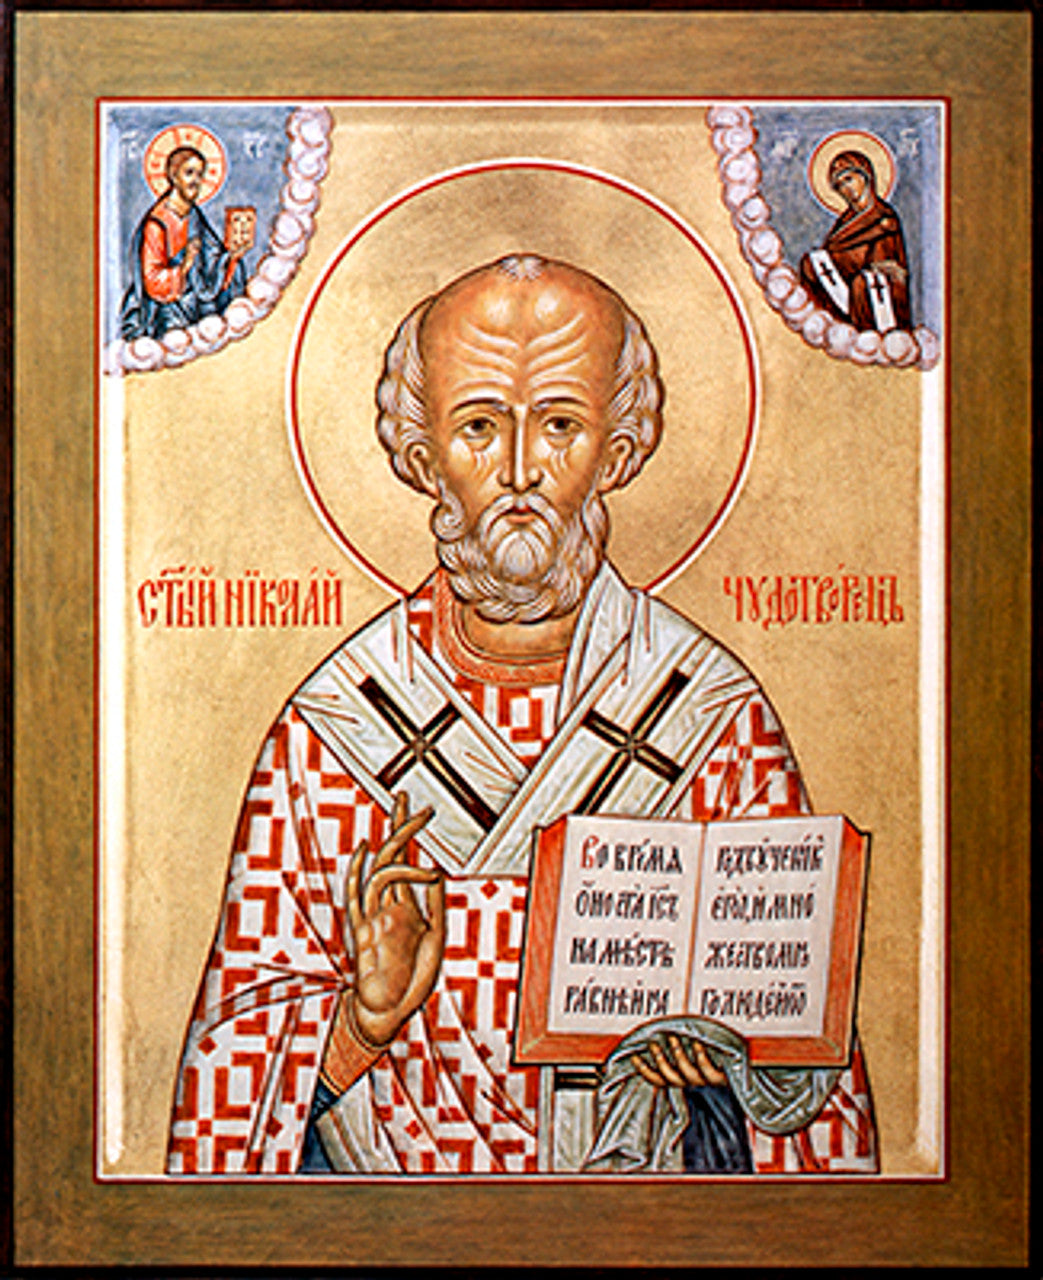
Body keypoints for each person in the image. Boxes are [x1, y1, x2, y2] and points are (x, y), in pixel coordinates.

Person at [167, 254, 878, 1176]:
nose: (516, 472)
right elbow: (224, 1109)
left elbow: (811, 1108)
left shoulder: (710, 717)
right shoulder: (327, 734)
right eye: (476, 426)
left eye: (559, 425)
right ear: (420, 454)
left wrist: (727, 1066)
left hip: (643, 1229)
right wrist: (360, 1025)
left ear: (618, 449)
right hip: (392, 1232)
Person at [120, 145, 248, 340]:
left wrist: (232, 258)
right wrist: (184, 265)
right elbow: (152, 281)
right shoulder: (157, 223)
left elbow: (212, 262)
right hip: (167, 307)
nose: (196, 181)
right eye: (189, 173)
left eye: (200, 175)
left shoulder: (194, 215)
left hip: (197, 299)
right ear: (173, 176)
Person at [800, 150, 911, 333]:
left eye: (848, 179)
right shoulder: (844, 223)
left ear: (865, 176)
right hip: (846, 291)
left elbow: (887, 265)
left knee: (862, 283)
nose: (846, 188)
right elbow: (831, 254)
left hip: (879, 290)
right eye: (840, 185)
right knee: (811, 263)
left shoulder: (884, 217)